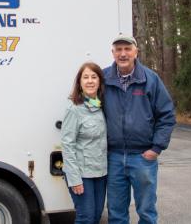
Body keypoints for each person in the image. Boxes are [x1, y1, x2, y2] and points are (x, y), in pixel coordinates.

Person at [103, 34, 176, 224]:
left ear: (136, 52)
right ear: (113, 53)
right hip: (114, 157)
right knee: (116, 212)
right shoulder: (103, 79)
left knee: (146, 211)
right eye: (118, 50)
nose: (123, 53)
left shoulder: (151, 79)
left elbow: (166, 116)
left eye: (127, 49)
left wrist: (156, 148)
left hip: (143, 157)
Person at [61, 62, 107, 224]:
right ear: (79, 83)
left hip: (100, 173)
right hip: (81, 174)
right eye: (85, 77)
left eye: (94, 77)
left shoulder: (101, 107)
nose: (90, 81)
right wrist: (75, 179)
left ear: (100, 81)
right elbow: (67, 145)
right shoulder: (74, 109)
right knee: (85, 218)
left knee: (95, 217)